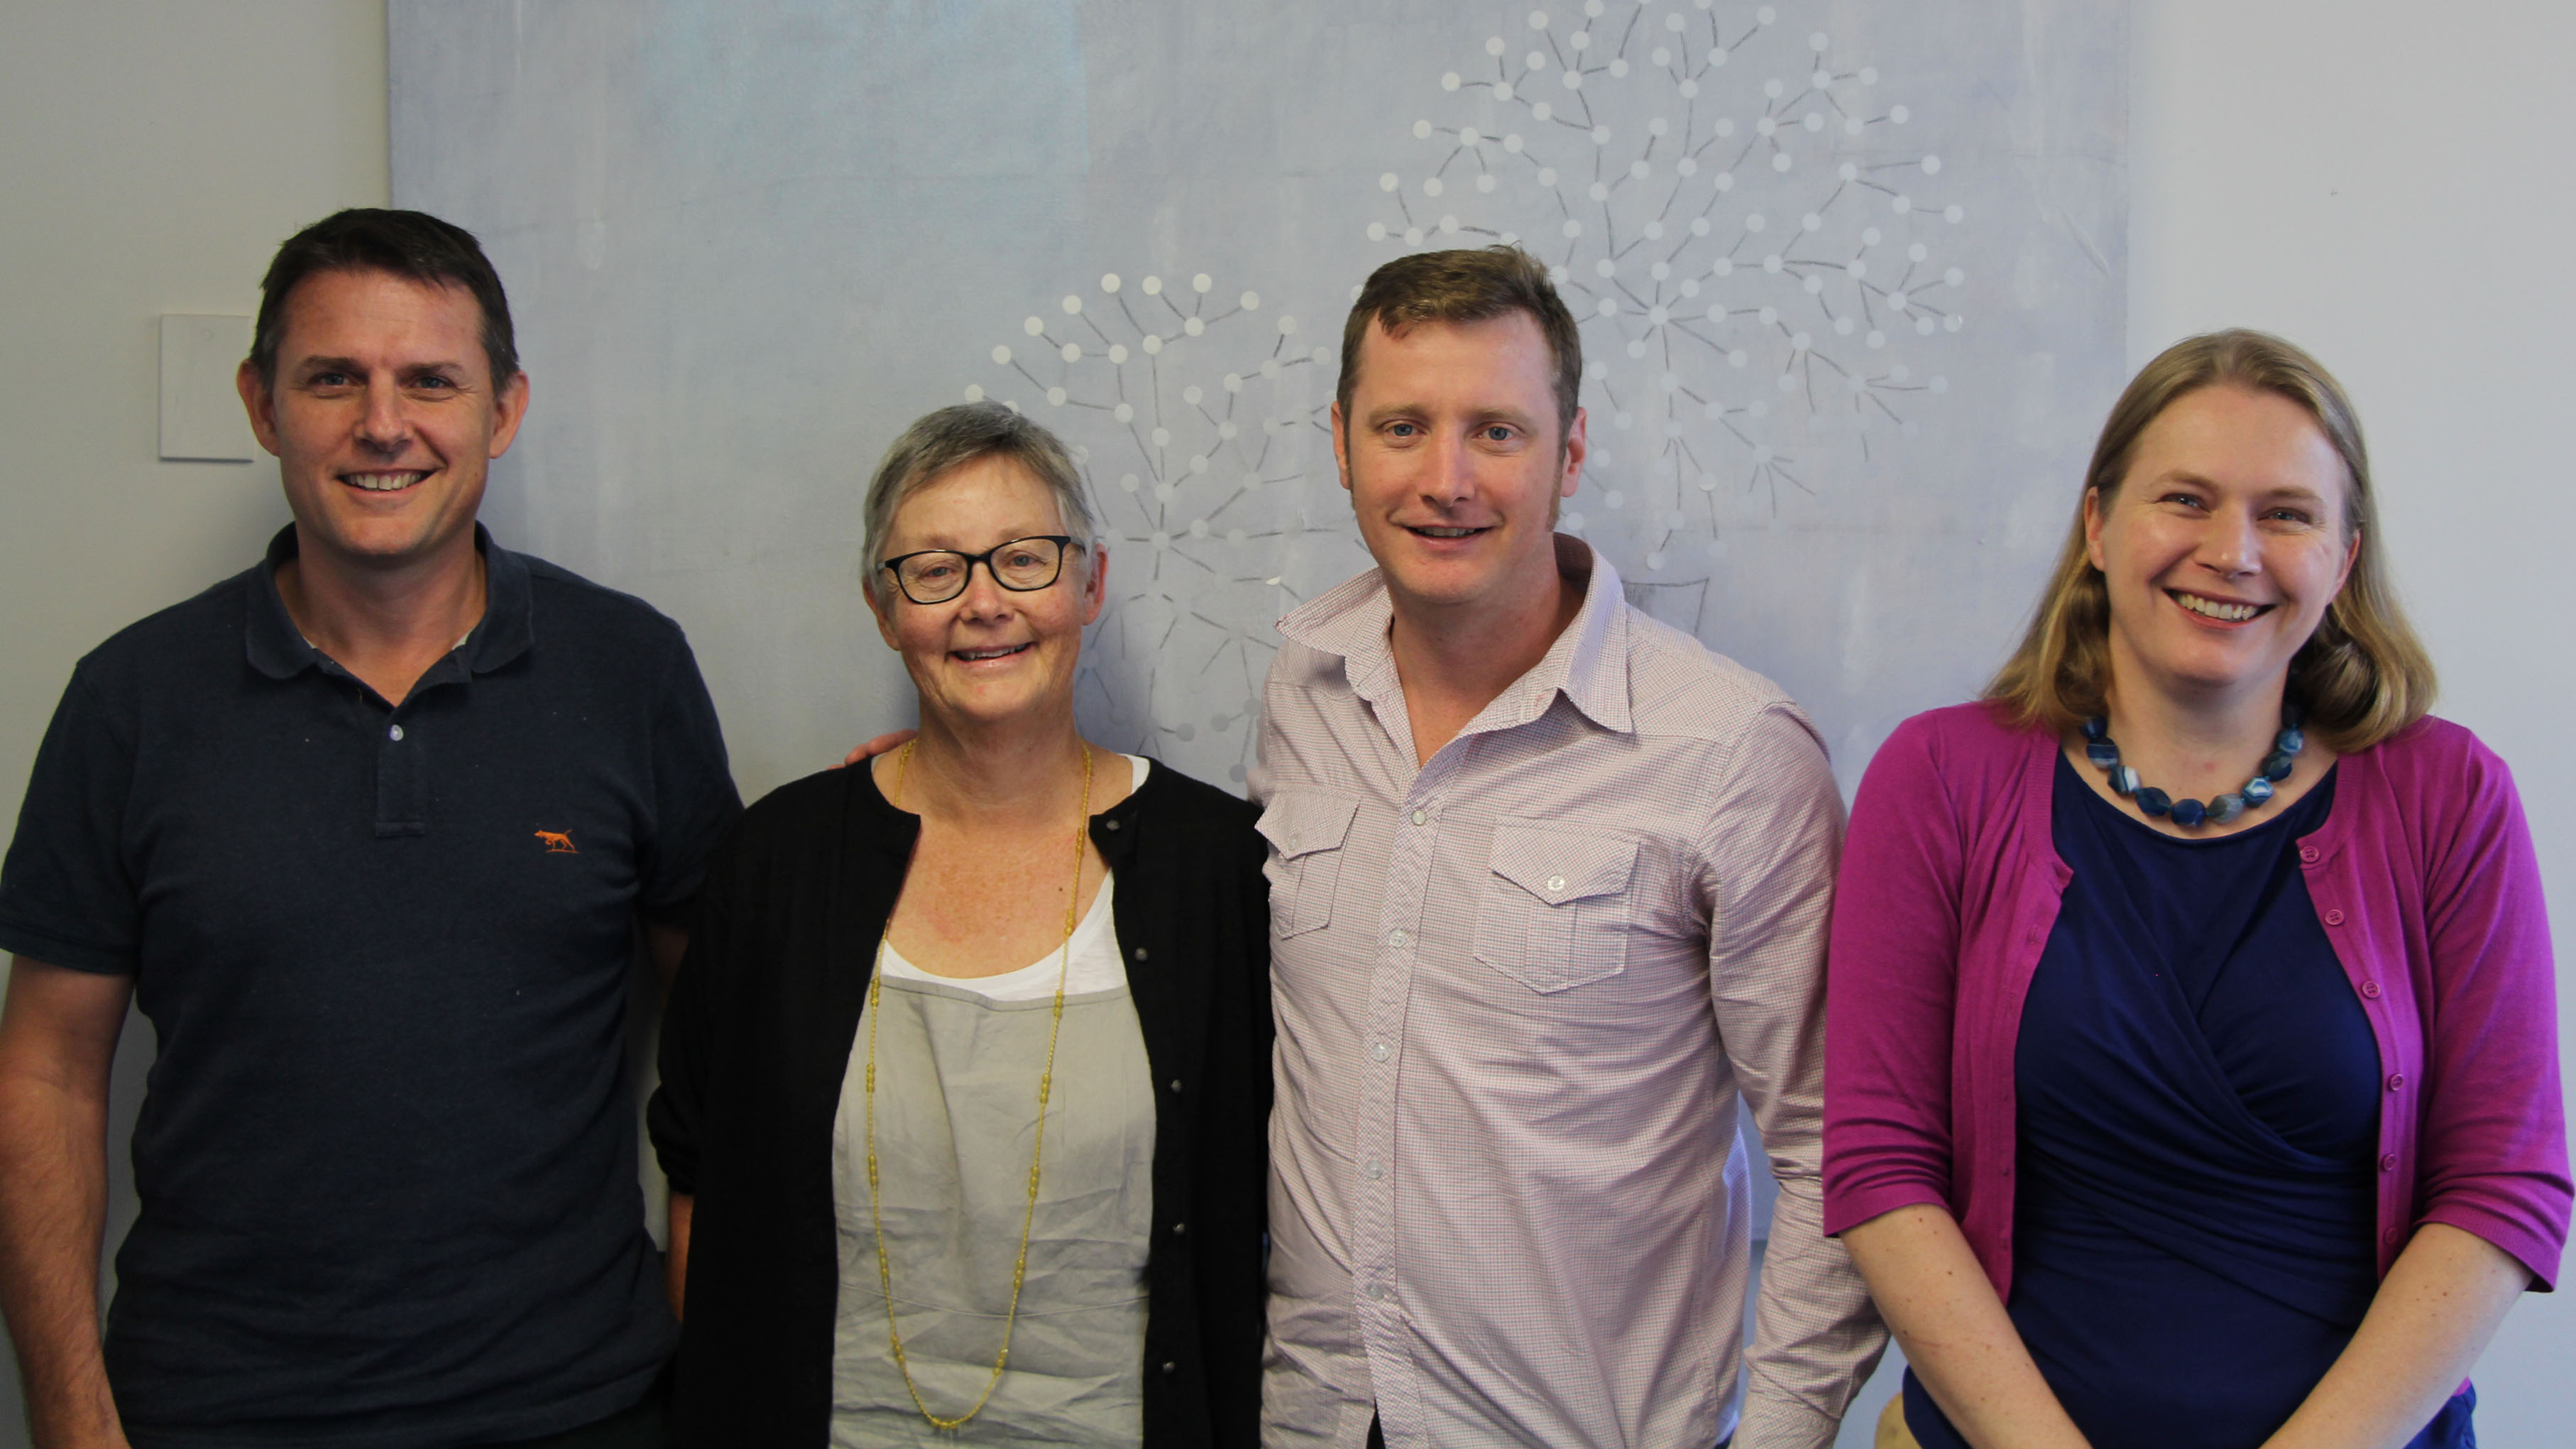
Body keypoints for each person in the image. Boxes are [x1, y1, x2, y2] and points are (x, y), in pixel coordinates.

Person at [0, 209, 740, 1448]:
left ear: (502, 410)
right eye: (332, 377)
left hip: (581, 1405)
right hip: (210, 1408)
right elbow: (44, 1071)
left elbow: (731, 1050)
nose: (382, 423)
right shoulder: (132, 699)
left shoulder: (629, 671)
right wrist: (71, 1417)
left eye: (430, 381)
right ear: (260, 403)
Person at [1824, 330, 2570, 1449]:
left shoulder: (2448, 796)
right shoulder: (1938, 779)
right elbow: (1881, 1167)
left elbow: (2503, 1184)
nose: (2231, 551)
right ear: (2096, 527)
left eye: (2286, 513)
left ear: (2343, 554)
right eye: (2185, 499)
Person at [1251, 245, 1882, 1448]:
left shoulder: (1732, 750)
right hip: (1317, 1416)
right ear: (1339, 443)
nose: (1445, 479)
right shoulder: (1305, 687)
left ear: (1570, 451)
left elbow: (1835, 1149)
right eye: (1401, 427)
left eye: (1496, 430)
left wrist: (1782, 1433)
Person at [648, 403, 1271, 1446]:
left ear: (1090, 584)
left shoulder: (1218, 870)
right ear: (883, 609)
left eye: (1024, 558)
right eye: (935, 570)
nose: (984, 603)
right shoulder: (779, 863)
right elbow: (699, 1185)